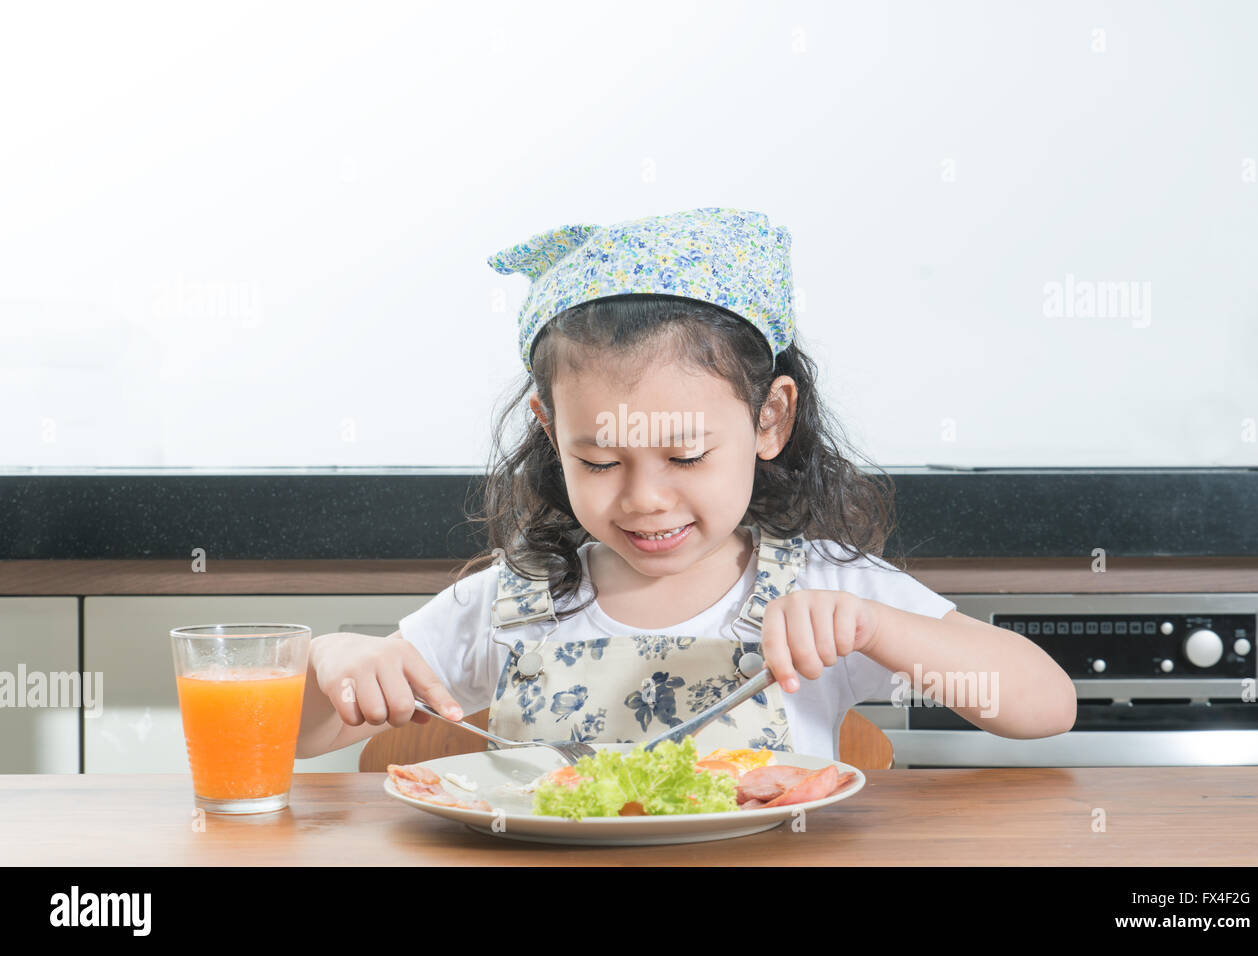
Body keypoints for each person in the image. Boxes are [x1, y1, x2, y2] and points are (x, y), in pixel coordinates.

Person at [297, 207, 1076, 763]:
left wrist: (879, 628)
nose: (644, 500)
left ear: (769, 419)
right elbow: (301, 741)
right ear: (547, 427)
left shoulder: (819, 590)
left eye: (687, 456)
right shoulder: (514, 604)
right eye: (599, 463)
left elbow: (1047, 707)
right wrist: (335, 660)